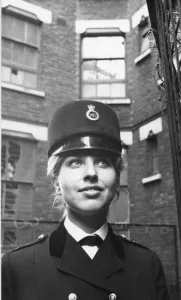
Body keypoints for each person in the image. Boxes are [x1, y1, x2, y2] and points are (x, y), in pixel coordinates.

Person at [1, 100, 170, 300]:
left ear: (116, 179)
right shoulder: (17, 268)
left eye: (102, 162)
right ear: (56, 180)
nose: (91, 173)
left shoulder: (146, 265)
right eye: (76, 162)